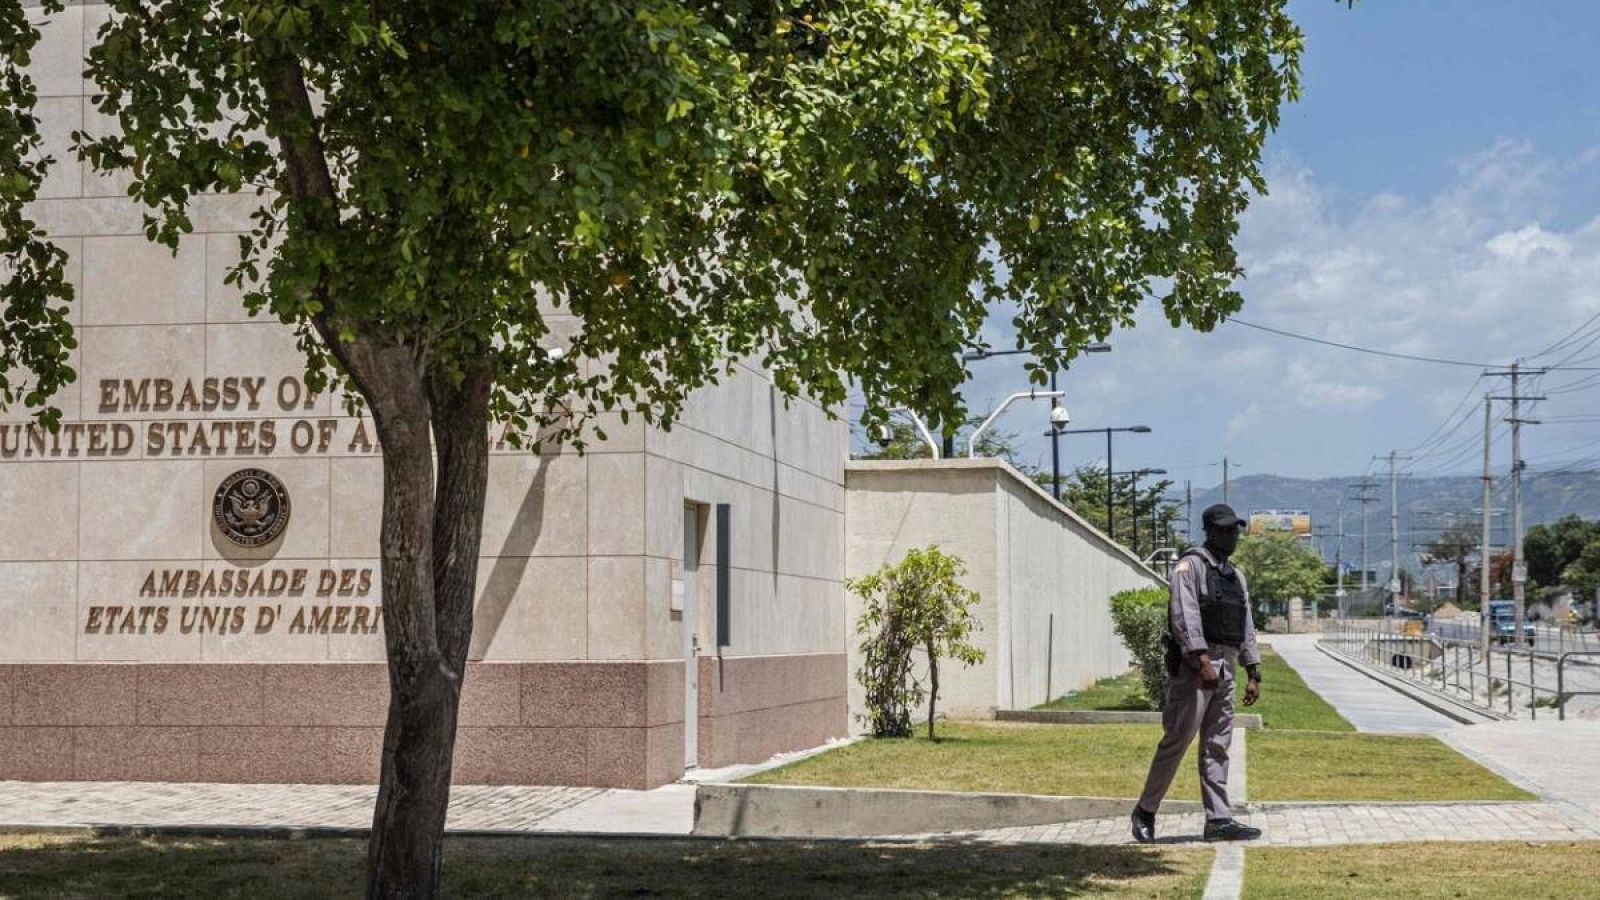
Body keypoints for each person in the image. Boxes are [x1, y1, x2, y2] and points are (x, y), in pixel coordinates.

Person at [1131, 503, 1263, 843]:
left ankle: (1219, 820)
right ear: (1209, 531)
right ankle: (1145, 810)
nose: (1232, 535)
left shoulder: (1235, 575)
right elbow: (1184, 615)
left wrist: (1253, 669)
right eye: (1225, 529)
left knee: (1218, 745)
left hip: (1227, 667)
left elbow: (1245, 622)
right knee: (1177, 740)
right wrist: (1201, 661)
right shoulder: (1189, 566)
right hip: (1196, 670)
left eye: (1235, 528)